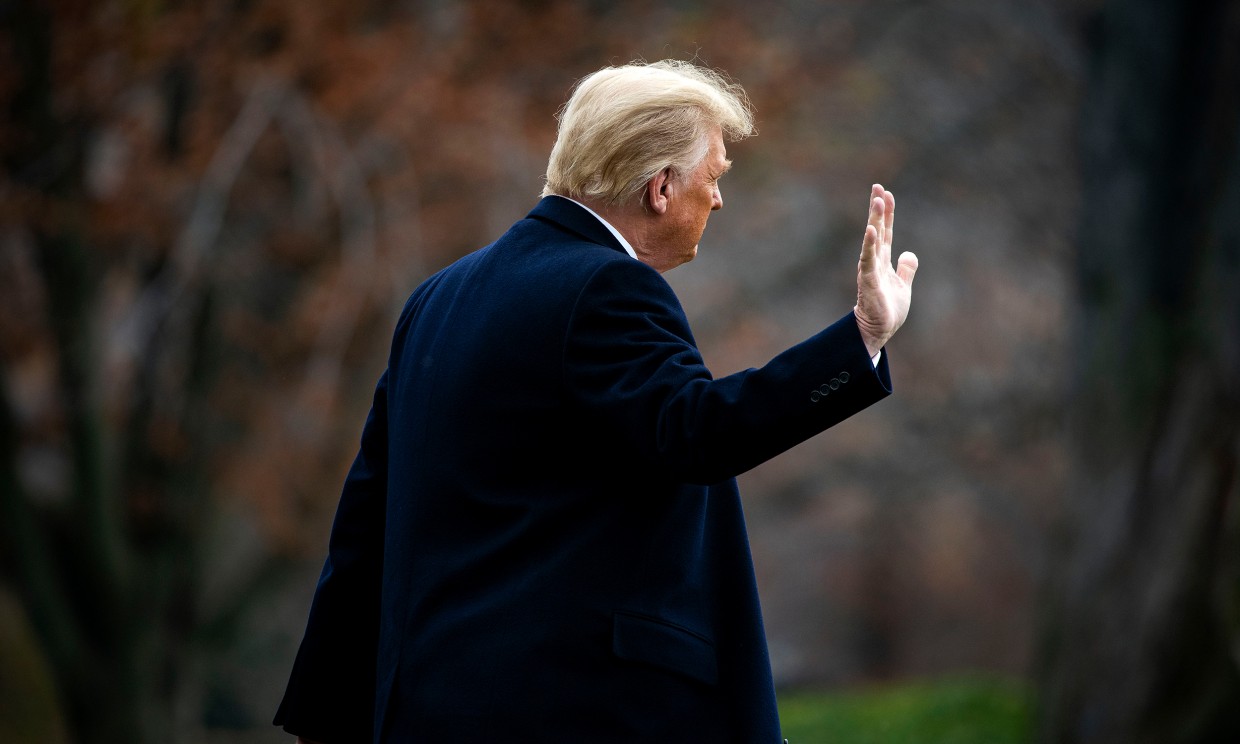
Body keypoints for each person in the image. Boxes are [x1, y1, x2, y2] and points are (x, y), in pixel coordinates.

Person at [274, 59, 917, 744]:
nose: (720, 200)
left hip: (424, 711)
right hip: (575, 712)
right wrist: (862, 338)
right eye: (715, 175)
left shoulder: (436, 298)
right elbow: (699, 433)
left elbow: (367, 513)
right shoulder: (607, 287)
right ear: (662, 187)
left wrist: (332, 712)